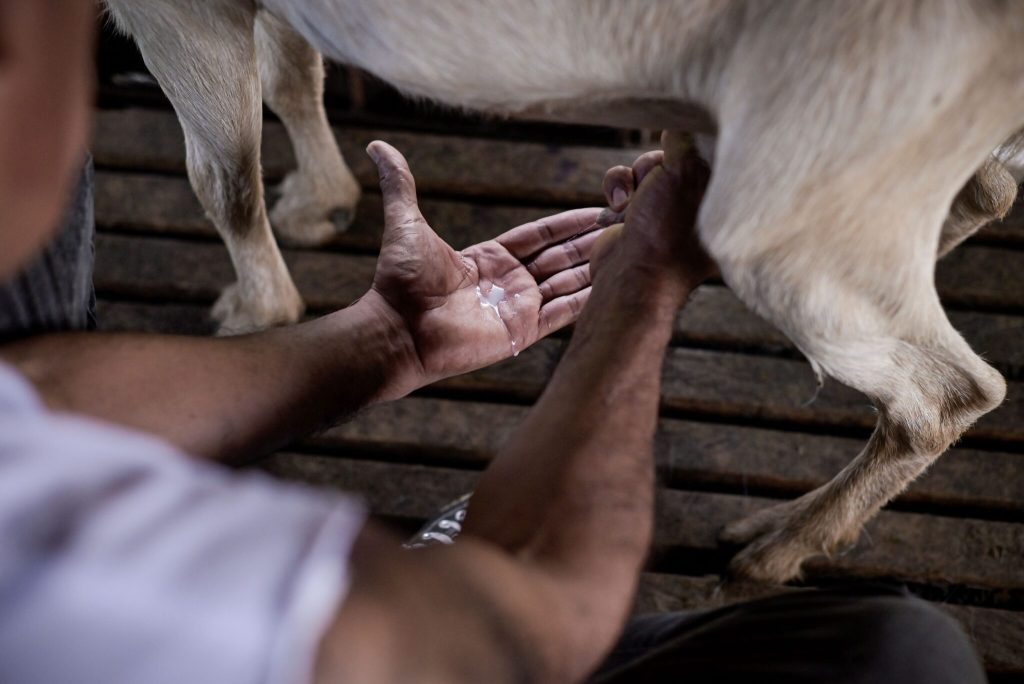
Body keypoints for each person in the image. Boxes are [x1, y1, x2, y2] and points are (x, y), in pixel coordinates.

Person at [0, 3, 988, 683]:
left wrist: (384, 341)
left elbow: (30, 401)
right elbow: (515, 630)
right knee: (905, 658)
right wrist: (640, 283)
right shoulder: (79, 582)